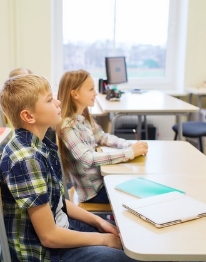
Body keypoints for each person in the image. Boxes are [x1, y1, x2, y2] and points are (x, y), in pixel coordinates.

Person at [0, 74, 139, 261]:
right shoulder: (27, 160)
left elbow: (57, 202)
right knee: (125, 256)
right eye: (49, 100)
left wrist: (99, 222)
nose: (57, 103)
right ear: (28, 116)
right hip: (47, 253)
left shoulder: (40, 145)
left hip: (62, 228)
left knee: (125, 238)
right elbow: (49, 237)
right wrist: (104, 240)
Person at [56, 69, 148, 204]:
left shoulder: (83, 118)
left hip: (102, 181)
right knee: (140, 195)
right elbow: (88, 159)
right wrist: (129, 153)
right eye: (91, 89)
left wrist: (129, 145)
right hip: (94, 192)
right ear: (75, 94)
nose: (96, 93)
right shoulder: (68, 128)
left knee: (140, 185)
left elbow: (102, 137)